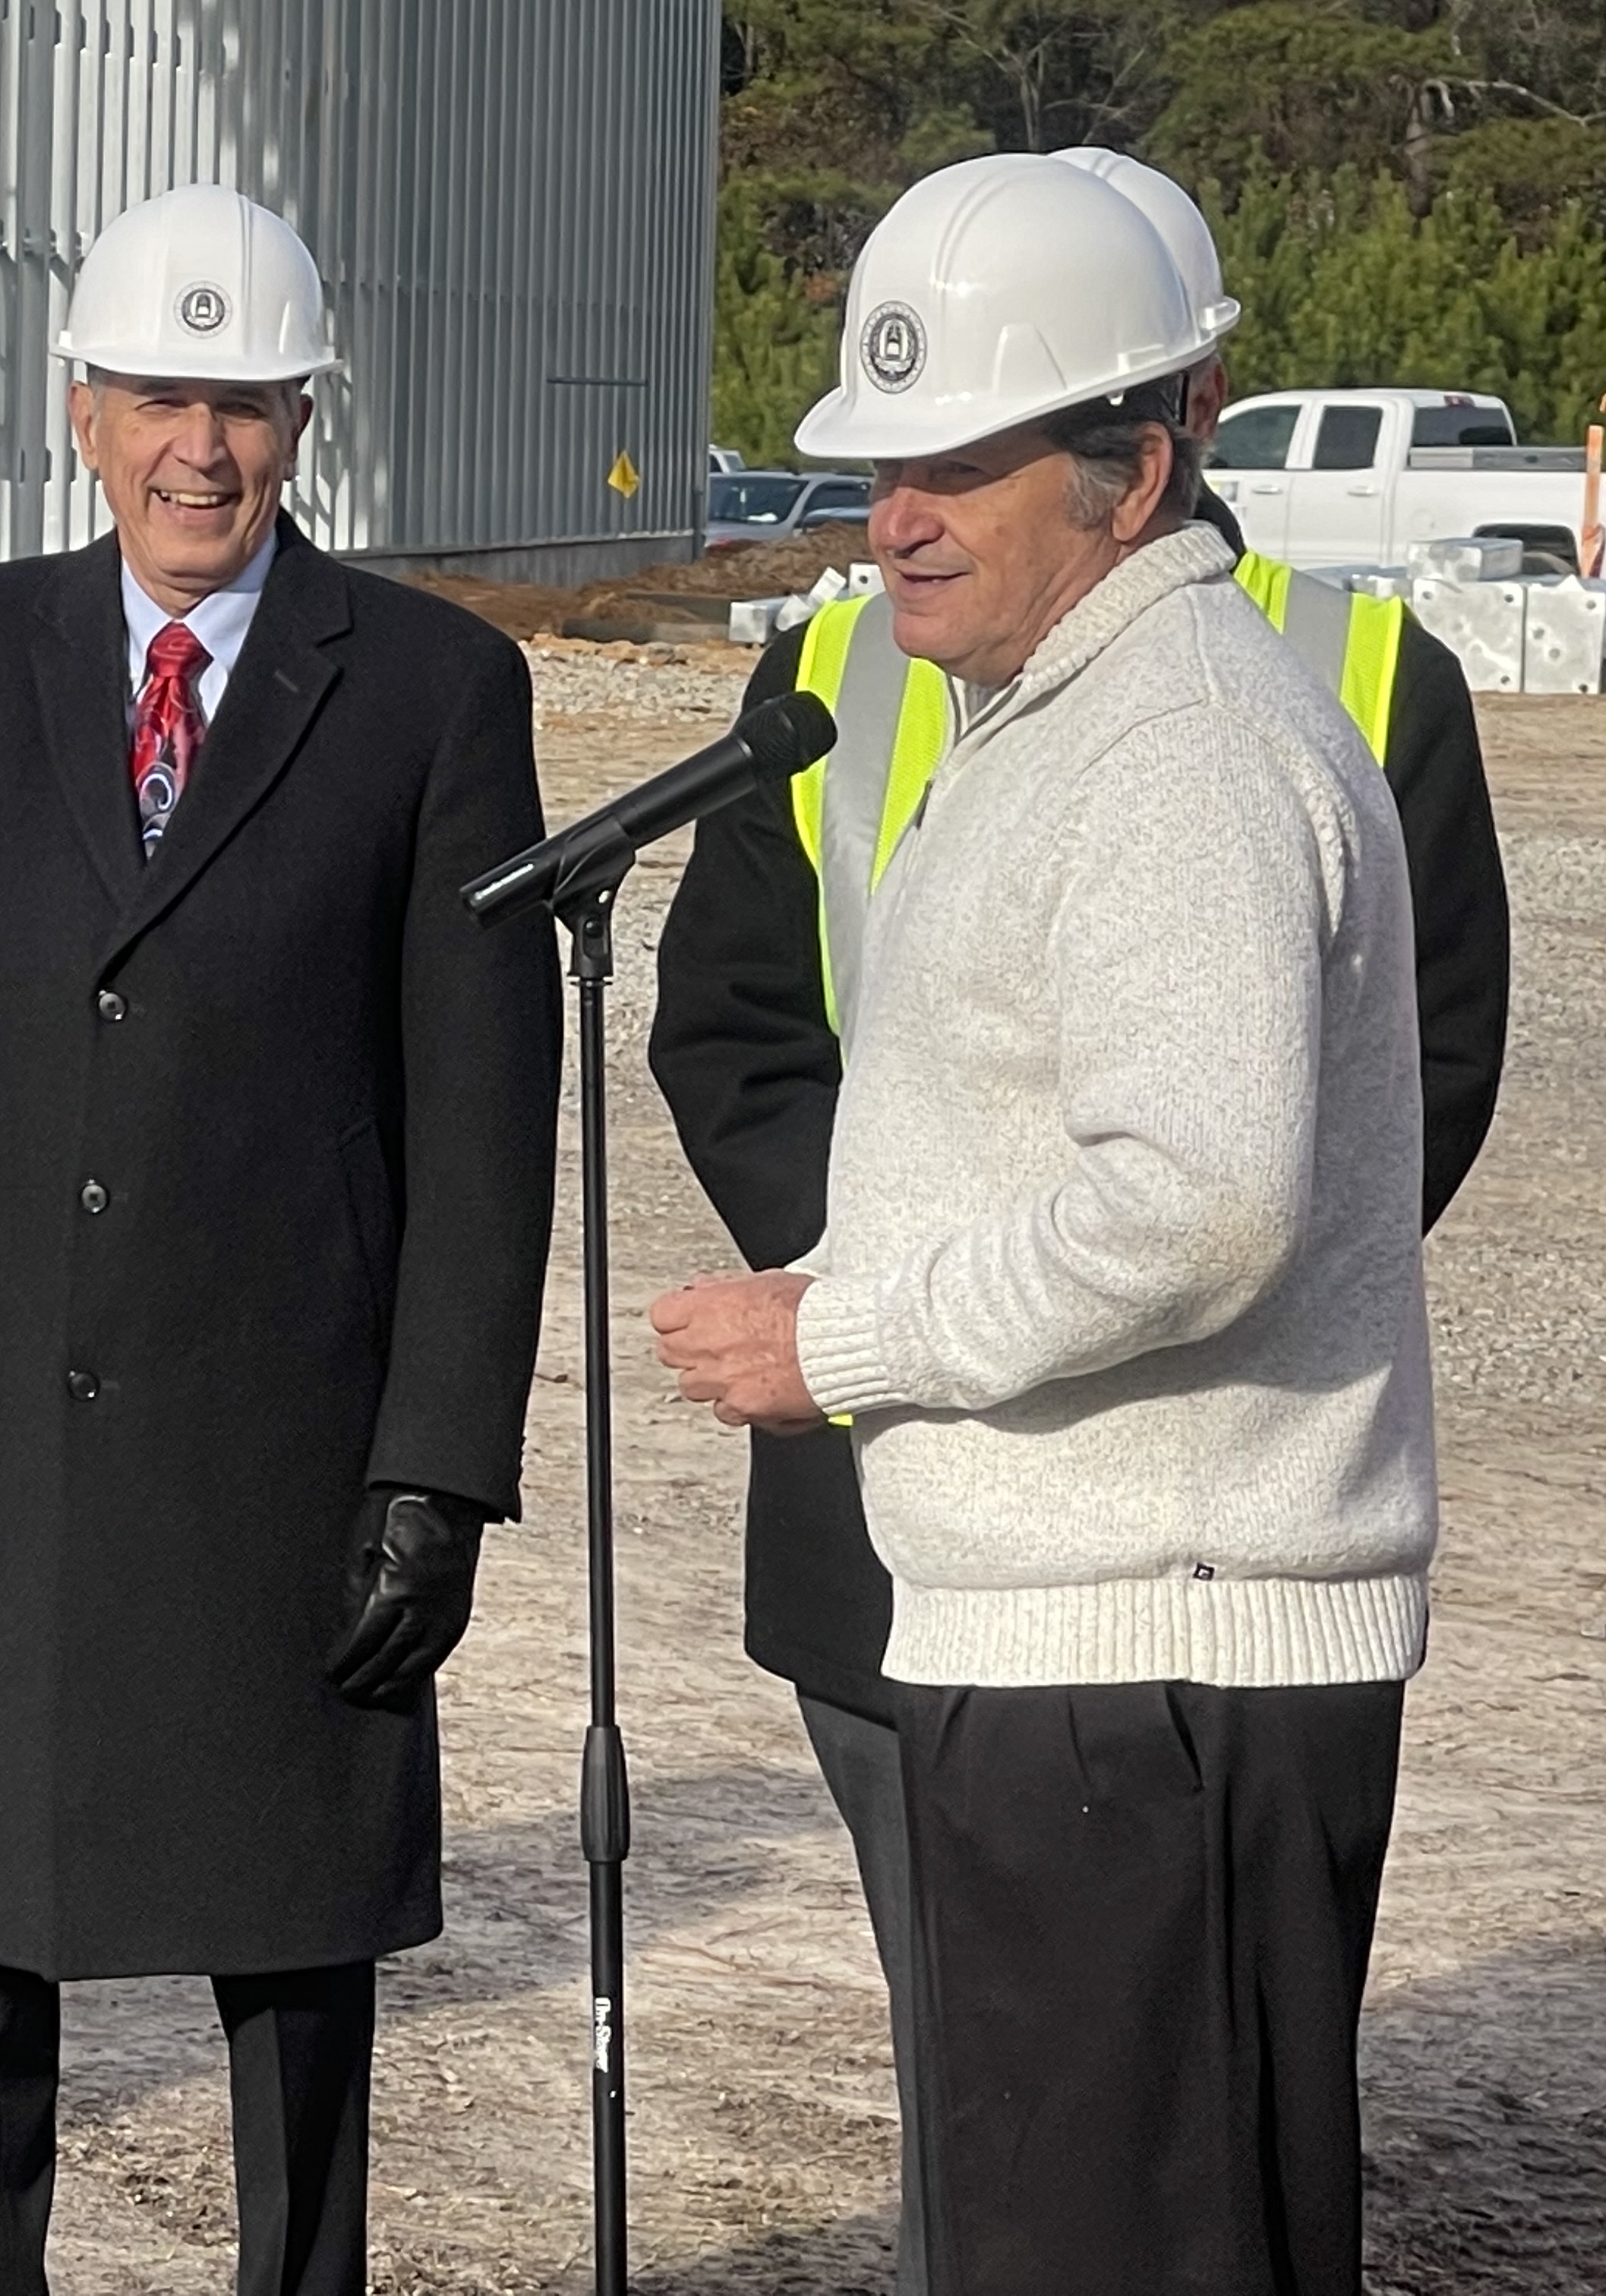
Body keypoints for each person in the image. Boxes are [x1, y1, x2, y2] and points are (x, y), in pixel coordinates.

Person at [645, 146, 1508, 2296]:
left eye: (957, 463)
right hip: (1090, 1649)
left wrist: (839, 1341)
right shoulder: (1071, 714)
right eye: (878, 464)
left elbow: (1201, 1205)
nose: (894, 517)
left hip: (1159, 1676)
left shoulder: (1183, 752)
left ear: (1135, 465)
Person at [0, 182, 560, 2296]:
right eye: (158, 400)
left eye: (244, 404)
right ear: (83, 413)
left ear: (304, 420)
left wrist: (439, 1466)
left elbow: (485, 1122)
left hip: (284, 1457)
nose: (199, 450)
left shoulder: (431, 692)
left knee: (295, 1977)